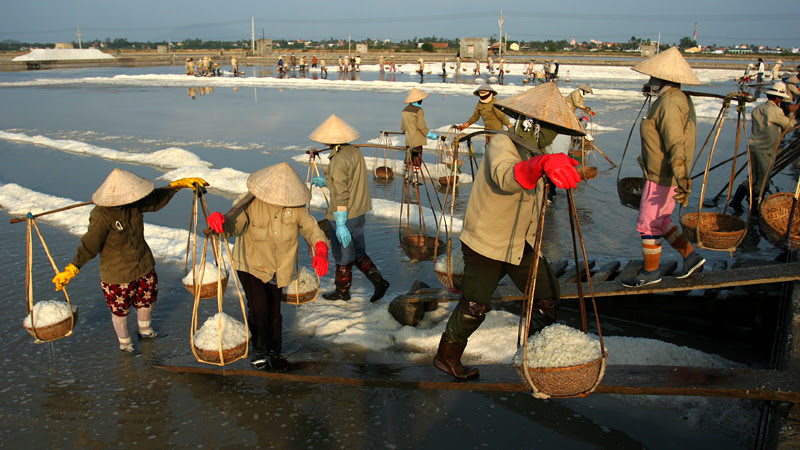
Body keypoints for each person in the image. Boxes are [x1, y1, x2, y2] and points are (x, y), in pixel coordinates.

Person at [432, 82, 584, 380]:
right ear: (534, 125)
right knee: (475, 306)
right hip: (486, 242)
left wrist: (545, 164)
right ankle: (446, 357)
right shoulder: (503, 144)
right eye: (550, 128)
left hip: (521, 242)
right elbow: (506, 177)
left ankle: (538, 355)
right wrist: (539, 164)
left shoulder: (537, 149)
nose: (554, 136)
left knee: (547, 294)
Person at [52, 169, 208, 352]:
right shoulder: (101, 216)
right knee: (120, 311)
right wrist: (73, 267)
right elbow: (90, 245)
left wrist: (175, 187)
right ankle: (125, 343)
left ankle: (146, 331)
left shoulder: (133, 204)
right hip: (118, 274)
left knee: (146, 301)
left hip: (143, 265)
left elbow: (155, 200)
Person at [206, 163, 329, 370]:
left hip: (279, 268)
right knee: (259, 308)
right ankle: (260, 350)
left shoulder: (296, 208)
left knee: (274, 311)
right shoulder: (249, 203)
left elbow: (312, 229)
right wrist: (220, 223)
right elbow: (232, 226)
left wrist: (321, 249)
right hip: (251, 265)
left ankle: (275, 351)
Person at [621, 46, 705, 288]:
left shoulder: (670, 103)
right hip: (662, 173)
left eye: (652, 78)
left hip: (663, 176)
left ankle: (651, 272)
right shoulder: (671, 99)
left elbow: (675, 141)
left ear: (663, 79)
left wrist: (682, 175)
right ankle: (691, 257)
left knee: (648, 224)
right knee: (662, 220)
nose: (649, 81)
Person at [308, 115, 390, 302]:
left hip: (344, 213)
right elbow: (347, 179)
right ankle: (380, 282)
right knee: (358, 251)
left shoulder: (337, 160)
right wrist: (327, 180)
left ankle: (342, 291)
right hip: (359, 211)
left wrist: (340, 222)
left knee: (343, 256)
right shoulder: (354, 151)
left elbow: (342, 193)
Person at [729, 82, 797, 213]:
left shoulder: (758, 109)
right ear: (778, 98)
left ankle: (736, 201)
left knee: (753, 177)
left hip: (754, 147)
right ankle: (754, 209)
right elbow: (790, 125)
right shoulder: (775, 111)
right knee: (763, 181)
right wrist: (792, 114)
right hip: (766, 150)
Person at [401, 88, 437, 171]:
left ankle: (406, 178)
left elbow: (403, 128)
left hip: (408, 141)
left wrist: (409, 131)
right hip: (417, 141)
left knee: (408, 158)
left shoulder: (404, 110)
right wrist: (429, 135)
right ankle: (415, 181)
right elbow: (421, 126)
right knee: (416, 159)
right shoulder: (419, 110)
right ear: (418, 100)